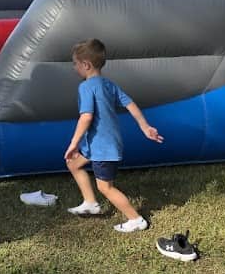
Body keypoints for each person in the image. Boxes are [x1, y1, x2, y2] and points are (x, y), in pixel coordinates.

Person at [65, 38, 163, 231]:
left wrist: (73, 143)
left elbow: (86, 117)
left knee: (105, 187)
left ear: (86, 65)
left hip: (102, 147)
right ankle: (90, 203)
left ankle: (136, 219)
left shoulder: (85, 87)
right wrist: (145, 126)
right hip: (98, 143)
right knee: (73, 163)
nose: (74, 67)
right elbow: (130, 104)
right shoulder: (108, 84)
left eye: (75, 63)